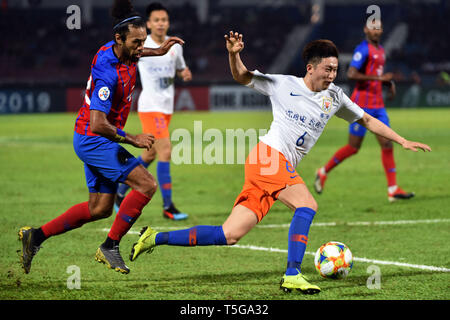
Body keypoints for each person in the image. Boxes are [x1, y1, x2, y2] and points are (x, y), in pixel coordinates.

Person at [127, 32, 431, 294]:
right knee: (307, 204)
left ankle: (155, 236)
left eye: (335, 70)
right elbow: (242, 76)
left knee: (229, 234)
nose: (331, 75)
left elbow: (366, 119)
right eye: (327, 69)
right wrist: (234, 55)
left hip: (269, 165)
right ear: (311, 68)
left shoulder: (335, 97)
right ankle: (292, 275)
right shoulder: (282, 84)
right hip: (268, 158)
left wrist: (402, 140)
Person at [17, 0, 184, 275]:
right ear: (119, 39)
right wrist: (132, 139)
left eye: (143, 42)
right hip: (95, 139)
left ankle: (35, 236)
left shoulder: (123, 51)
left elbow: (137, 52)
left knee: (100, 208)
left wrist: (159, 50)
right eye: (136, 43)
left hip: (93, 139)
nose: (140, 48)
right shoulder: (108, 72)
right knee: (146, 185)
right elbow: (97, 123)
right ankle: (110, 246)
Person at [314, 19, 414, 202]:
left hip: (378, 106)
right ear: (366, 30)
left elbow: (376, 76)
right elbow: (352, 74)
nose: (376, 31)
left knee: (387, 144)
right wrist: (379, 78)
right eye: (372, 28)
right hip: (362, 106)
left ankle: (393, 189)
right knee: (353, 147)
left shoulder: (381, 51)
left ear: (382, 30)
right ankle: (323, 171)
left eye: (379, 28)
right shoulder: (363, 49)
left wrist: (386, 82)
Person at [115, 2, 192, 221]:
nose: (161, 24)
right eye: (156, 20)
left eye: (164, 20)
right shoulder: (141, 44)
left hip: (167, 108)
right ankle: (168, 206)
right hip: (150, 107)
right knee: (165, 150)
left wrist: (184, 73)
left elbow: (178, 67)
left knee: (150, 153)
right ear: (148, 24)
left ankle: (120, 191)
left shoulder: (175, 46)